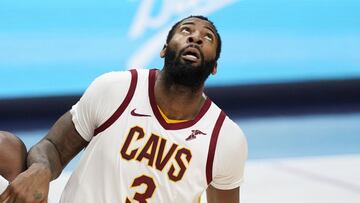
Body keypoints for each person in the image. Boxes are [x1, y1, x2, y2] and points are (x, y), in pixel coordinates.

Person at [0, 15, 247, 203]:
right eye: (186, 30)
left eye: (208, 37)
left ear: (214, 67)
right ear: (163, 49)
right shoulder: (116, 88)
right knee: (6, 147)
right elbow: (53, 146)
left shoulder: (225, 138)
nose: (195, 38)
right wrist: (41, 169)